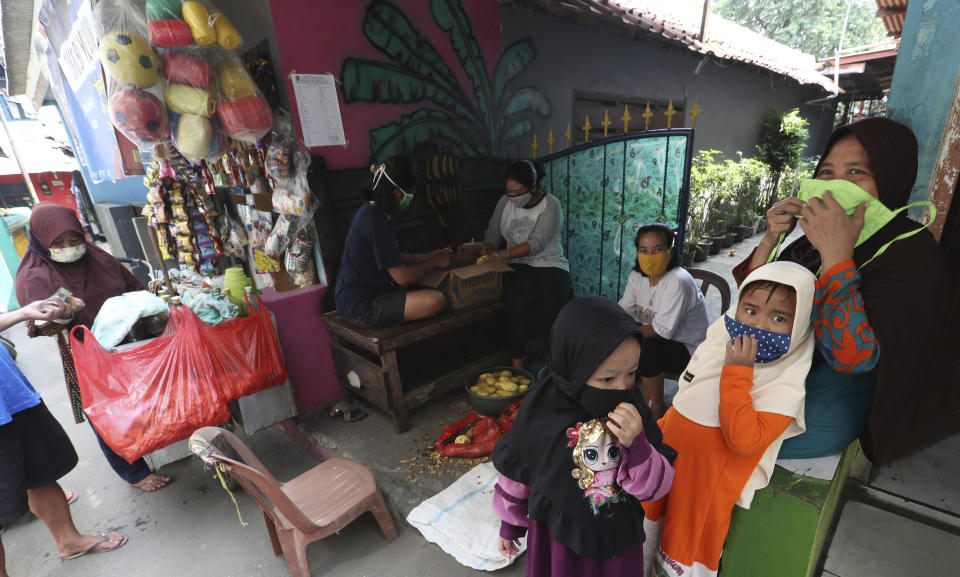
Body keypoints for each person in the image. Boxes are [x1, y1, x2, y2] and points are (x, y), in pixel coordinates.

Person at [734, 117, 952, 463]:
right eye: (826, 172)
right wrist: (771, 238)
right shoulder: (810, 241)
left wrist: (836, 255)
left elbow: (854, 357)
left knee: (720, 439)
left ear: (892, 177)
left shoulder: (913, 253)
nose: (835, 185)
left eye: (856, 173)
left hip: (824, 403)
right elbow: (755, 302)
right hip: (770, 378)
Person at [641, 261, 816, 577]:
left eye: (779, 318)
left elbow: (744, 440)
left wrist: (738, 372)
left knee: (681, 548)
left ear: (801, 323)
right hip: (669, 464)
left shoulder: (785, 384)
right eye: (750, 311)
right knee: (648, 532)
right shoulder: (723, 340)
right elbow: (686, 398)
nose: (759, 326)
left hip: (703, 488)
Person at [491, 297, 676, 575]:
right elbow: (520, 467)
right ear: (572, 369)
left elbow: (656, 488)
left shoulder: (634, 412)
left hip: (617, 540)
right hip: (557, 538)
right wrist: (510, 522)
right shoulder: (543, 410)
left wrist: (637, 446)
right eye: (607, 379)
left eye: (632, 373)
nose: (623, 387)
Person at [14, 202, 172, 492]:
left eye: (75, 239)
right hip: (83, 352)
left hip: (130, 342)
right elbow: (40, 327)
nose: (69, 247)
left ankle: (165, 439)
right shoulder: (34, 275)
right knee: (106, 412)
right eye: (58, 242)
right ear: (39, 239)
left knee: (148, 396)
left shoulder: (98, 257)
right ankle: (133, 471)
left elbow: (133, 289)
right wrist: (60, 315)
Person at [1, 301, 127, 576]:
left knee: (39, 474)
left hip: (10, 395)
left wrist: (25, 313)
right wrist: (22, 314)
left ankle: (69, 541)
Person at [335, 156, 451, 328]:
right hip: (362, 307)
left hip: (358, 298)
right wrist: (434, 262)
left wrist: (427, 256)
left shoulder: (373, 212)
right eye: (409, 193)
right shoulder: (374, 222)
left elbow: (391, 258)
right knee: (436, 300)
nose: (410, 198)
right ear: (397, 193)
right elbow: (402, 277)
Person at [481, 160, 570, 369]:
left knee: (553, 302)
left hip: (550, 263)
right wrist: (489, 245)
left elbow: (536, 244)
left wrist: (503, 254)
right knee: (514, 301)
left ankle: (558, 361)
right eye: (509, 190)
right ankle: (517, 362)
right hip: (517, 263)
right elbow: (494, 228)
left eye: (517, 191)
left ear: (533, 188)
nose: (512, 196)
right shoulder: (504, 202)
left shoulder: (551, 205)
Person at [619, 224, 710, 418]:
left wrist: (622, 332)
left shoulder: (678, 281)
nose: (650, 255)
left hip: (689, 350)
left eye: (657, 249)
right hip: (662, 341)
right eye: (644, 250)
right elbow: (624, 311)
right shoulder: (636, 276)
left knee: (644, 345)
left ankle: (656, 405)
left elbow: (661, 331)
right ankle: (639, 396)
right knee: (625, 337)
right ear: (637, 252)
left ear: (670, 251)